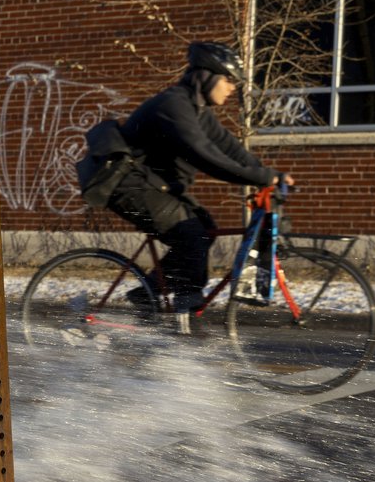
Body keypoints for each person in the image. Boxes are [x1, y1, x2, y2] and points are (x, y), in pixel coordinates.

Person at [110, 42, 295, 325]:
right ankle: (182, 314)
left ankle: (150, 293)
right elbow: (205, 155)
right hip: (129, 186)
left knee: (203, 226)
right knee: (192, 233)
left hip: (154, 186)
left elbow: (229, 148)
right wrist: (261, 178)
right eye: (228, 80)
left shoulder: (197, 111)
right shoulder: (173, 106)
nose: (232, 88)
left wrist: (268, 173)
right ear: (207, 76)